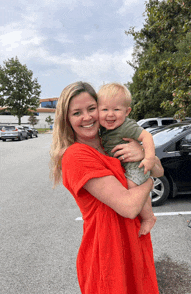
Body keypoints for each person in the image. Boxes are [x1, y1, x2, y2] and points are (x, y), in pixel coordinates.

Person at [50, 81, 164, 294]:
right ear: (67, 119)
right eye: (77, 113)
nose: (87, 117)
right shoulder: (76, 156)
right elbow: (129, 207)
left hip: (134, 244)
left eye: (91, 108)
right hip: (108, 255)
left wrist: (143, 156)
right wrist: (148, 181)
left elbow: (159, 171)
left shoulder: (109, 144)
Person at [98, 82, 157, 236]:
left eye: (116, 109)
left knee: (131, 188)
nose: (110, 114)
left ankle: (149, 217)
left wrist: (149, 158)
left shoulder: (125, 126)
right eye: (104, 109)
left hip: (135, 166)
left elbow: (147, 136)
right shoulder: (103, 128)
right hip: (127, 166)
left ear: (127, 111)